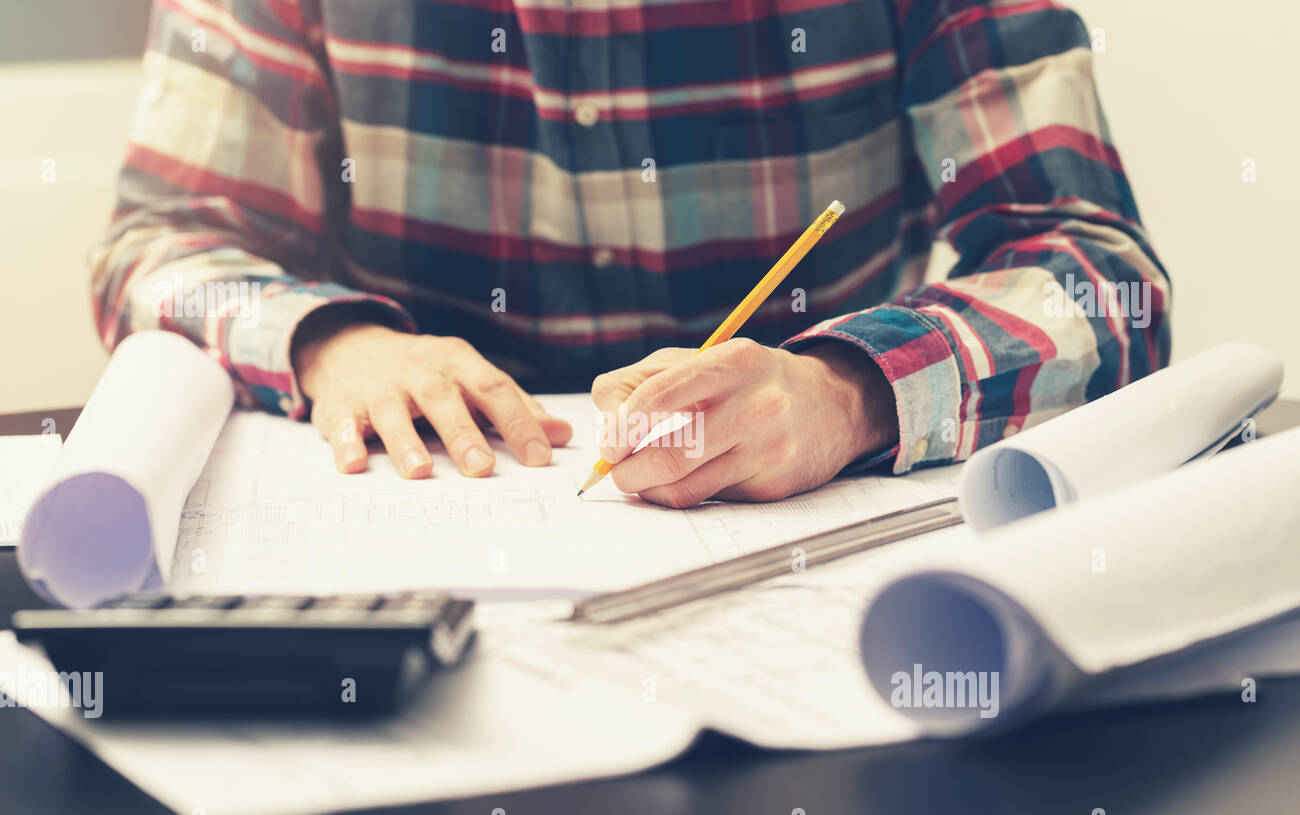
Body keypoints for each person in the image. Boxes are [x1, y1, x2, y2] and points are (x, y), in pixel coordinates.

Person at [91, 0, 1168, 508]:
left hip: (820, 549)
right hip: (422, 544)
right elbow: (162, 244)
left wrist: (850, 394)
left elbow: (1094, 267)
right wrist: (337, 343)